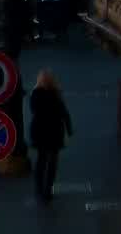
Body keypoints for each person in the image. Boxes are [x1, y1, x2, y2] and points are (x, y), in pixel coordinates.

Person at [29, 70, 74, 201]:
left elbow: (33, 111)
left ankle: (39, 188)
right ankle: (48, 189)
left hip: (40, 131)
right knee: (53, 162)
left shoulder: (35, 94)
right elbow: (64, 113)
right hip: (55, 131)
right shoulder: (56, 94)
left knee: (41, 160)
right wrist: (69, 130)